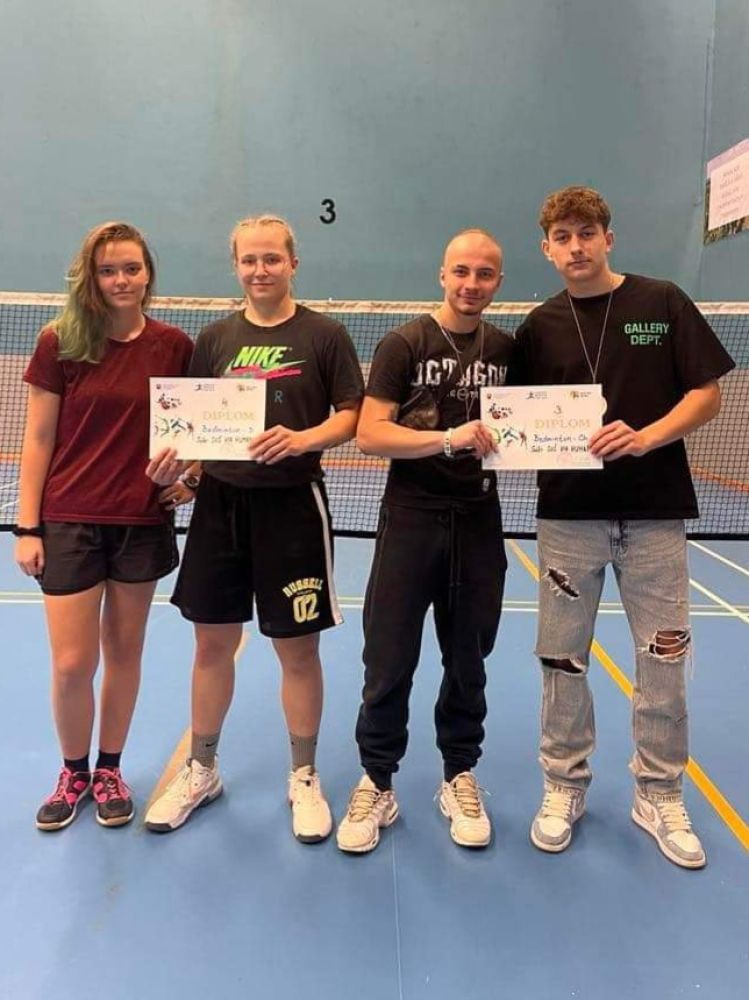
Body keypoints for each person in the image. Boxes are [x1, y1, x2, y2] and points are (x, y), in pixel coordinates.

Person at [511, 186, 735, 869]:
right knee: (561, 659)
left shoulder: (662, 302)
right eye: (562, 237)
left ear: (608, 238)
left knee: (664, 658)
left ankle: (659, 792)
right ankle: (563, 784)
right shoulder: (538, 326)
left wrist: (646, 437)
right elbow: (515, 415)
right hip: (567, 520)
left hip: (654, 516)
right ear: (546, 249)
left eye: (587, 233)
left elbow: (707, 394)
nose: (575, 246)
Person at [144, 215, 364, 842]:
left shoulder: (324, 335)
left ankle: (304, 776)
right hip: (220, 508)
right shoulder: (214, 339)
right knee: (211, 645)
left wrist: (303, 438)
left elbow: (351, 415)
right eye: (249, 260)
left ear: (293, 263)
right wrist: (185, 473)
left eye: (272, 258)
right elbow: (196, 425)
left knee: (298, 650)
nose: (260, 270)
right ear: (236, 265)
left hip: (293, 507)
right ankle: (202, 769)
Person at [336, 229, 513, 853]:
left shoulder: (507, 349)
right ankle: (377, 780)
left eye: (485, 274)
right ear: (442, 274)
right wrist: (446, 439)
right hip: (411, 517)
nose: (471, 284)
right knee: (388, 658)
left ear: (498, 282)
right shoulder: (403, 343)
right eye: (461, 271)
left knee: (468, 659)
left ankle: (459, 774)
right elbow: (370, 434)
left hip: (479, 520)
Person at [15, 221, 194, 831]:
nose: (121, 280)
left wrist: (191, 480)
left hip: (141, 521)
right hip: (69, 521)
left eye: (131, 269)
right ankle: (73, 771)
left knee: (124, 651)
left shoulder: (174, 347)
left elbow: (200, 431)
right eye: (108, 270)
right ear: (91, 277)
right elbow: (38, 439)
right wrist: (27, 527)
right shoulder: (60, 342)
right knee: (72, 663)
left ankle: (109, 769)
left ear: (148, 275)